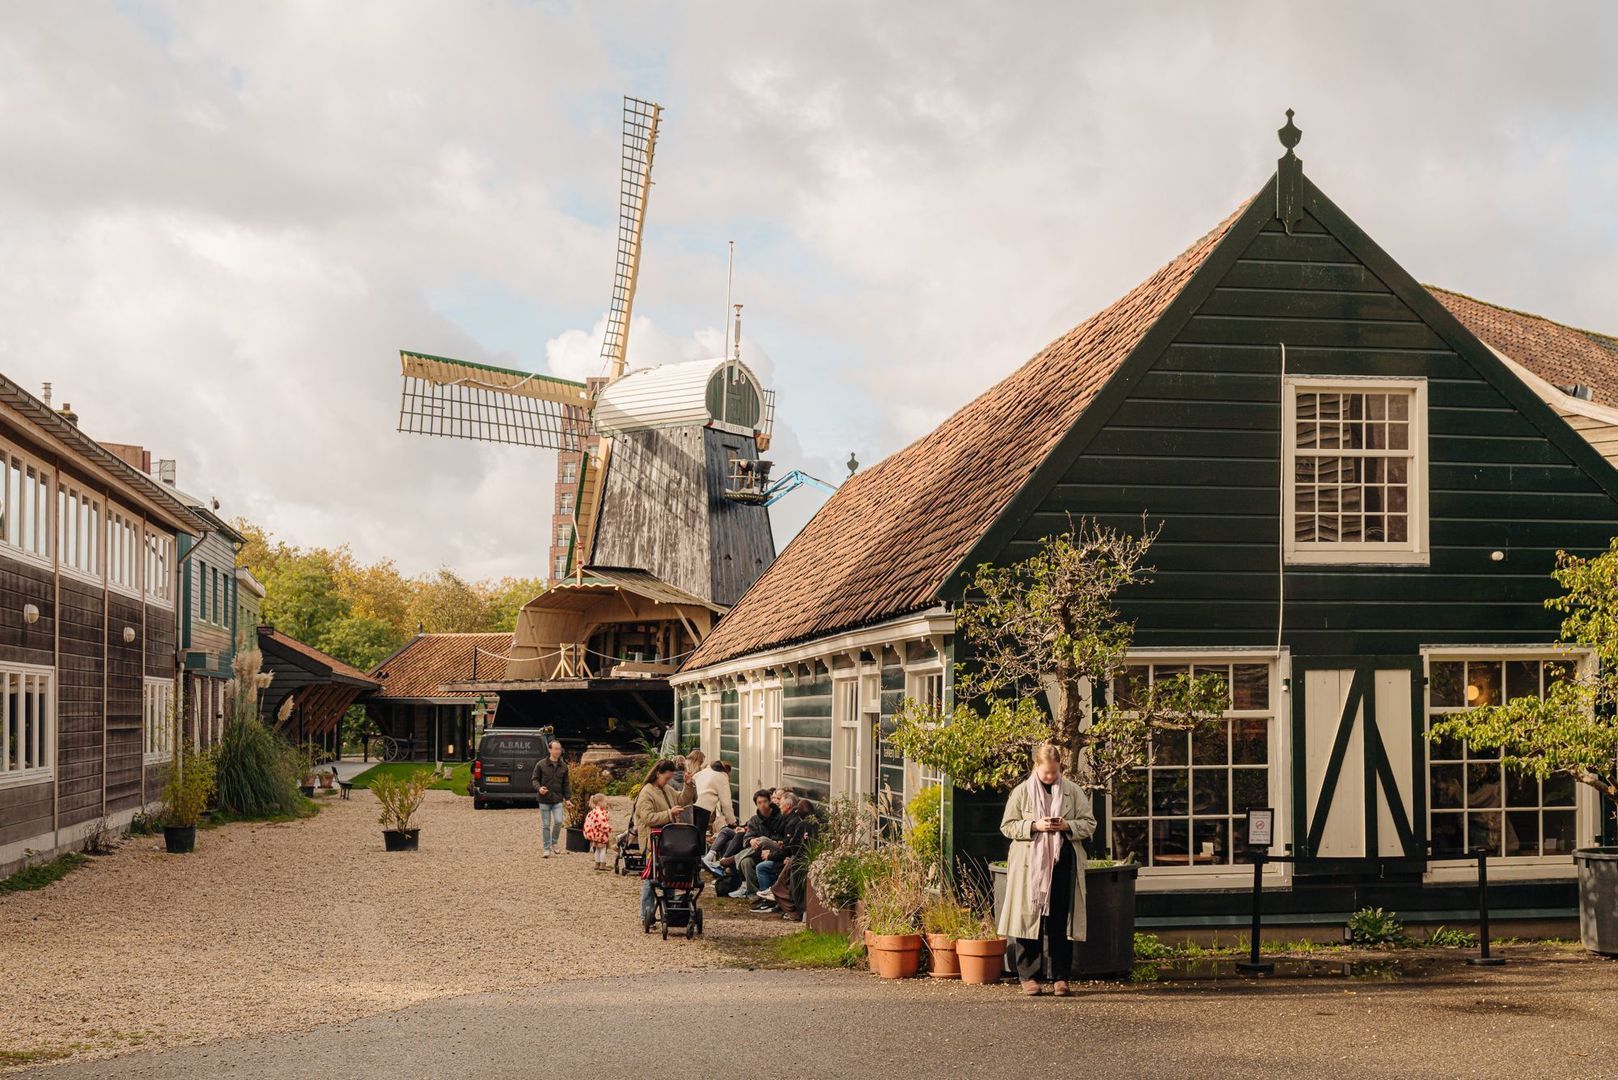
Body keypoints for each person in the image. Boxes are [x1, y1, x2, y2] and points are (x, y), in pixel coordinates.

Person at [998, 741, 1096, 997]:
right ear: (1036, 767)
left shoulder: (1073, 791)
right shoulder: (1021, 792)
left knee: (1059, 920)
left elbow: (1089, 823)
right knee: (1029, 918)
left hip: (1063, 863)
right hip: (1030, 867)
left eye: (1055, 772)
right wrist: (1034, 825)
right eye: (1046, 773)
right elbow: (1007, 826)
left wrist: (1067, 826)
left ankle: (1060, 977)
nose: (1051, 777)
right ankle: (1029, 977)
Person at [632, 759, 689, 925]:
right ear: (658, 774)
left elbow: (681, 799)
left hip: (669, 841)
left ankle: (669, 911)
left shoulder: (666, 789)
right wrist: (670, 814)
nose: (668, 781)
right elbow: (648, 818)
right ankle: (645, 914)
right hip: (653, 841)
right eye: (666, 778)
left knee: (669, 873)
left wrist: (689, 786)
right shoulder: (646, 793)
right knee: (652, 877)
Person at [751, 791, 815, 914]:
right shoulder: (788, 819)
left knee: (762, 866)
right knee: (753, 847)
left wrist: (771, 855)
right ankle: (772, 894)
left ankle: (770, 899)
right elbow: (788, 842)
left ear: (788, 806)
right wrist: (782, 843)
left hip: (790, 858)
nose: (779, 806)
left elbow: (792, 846)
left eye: (781, 804)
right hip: (787, 854)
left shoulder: (793, 821)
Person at [725, 789, 785, 899]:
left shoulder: (780, 817)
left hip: (776, 850)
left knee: (762, 839)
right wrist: (751, 840)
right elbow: (746, 839)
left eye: (765, 801)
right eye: (759, 803)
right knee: (745, 861)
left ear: (770, 801)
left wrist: (775, 842)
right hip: (758, 852)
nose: (762, 805)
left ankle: (734, 858)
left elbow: (784, 837)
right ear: (756, 805)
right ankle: (753, 893)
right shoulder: (754, 820)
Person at [530, 739, 570, 857]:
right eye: (556, 749)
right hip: (544, 800)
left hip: (557, 799)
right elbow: (534, 779)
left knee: (558, 822)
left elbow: (566, 784)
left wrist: (568, 799)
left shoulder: (564, 766)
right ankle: (546, 848)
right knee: (546, 825)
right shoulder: (541, 764)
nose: (558, 751)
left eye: (559, 749)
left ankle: (554, 842)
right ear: (550, 750)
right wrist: (539, 789)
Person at [690, 757, 736, 840]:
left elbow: (692, 781)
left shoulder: (702, 772)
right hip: (703, 807)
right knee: (700, 835)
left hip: (691, 804)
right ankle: (700, 853)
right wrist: (732, 821)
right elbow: (726, 803)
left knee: (692, 833)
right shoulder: (722, 776)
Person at [582, 792, 614, 871]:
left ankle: (597, 863)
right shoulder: (600, 813)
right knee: (603, 850)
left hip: (593, 834)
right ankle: (602, 864)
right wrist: (609, 828)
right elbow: (602, 825)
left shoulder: (591, 812)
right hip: (600, 835)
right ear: (600, 802)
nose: (606, 803)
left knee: (596, 849)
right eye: (605, 802)